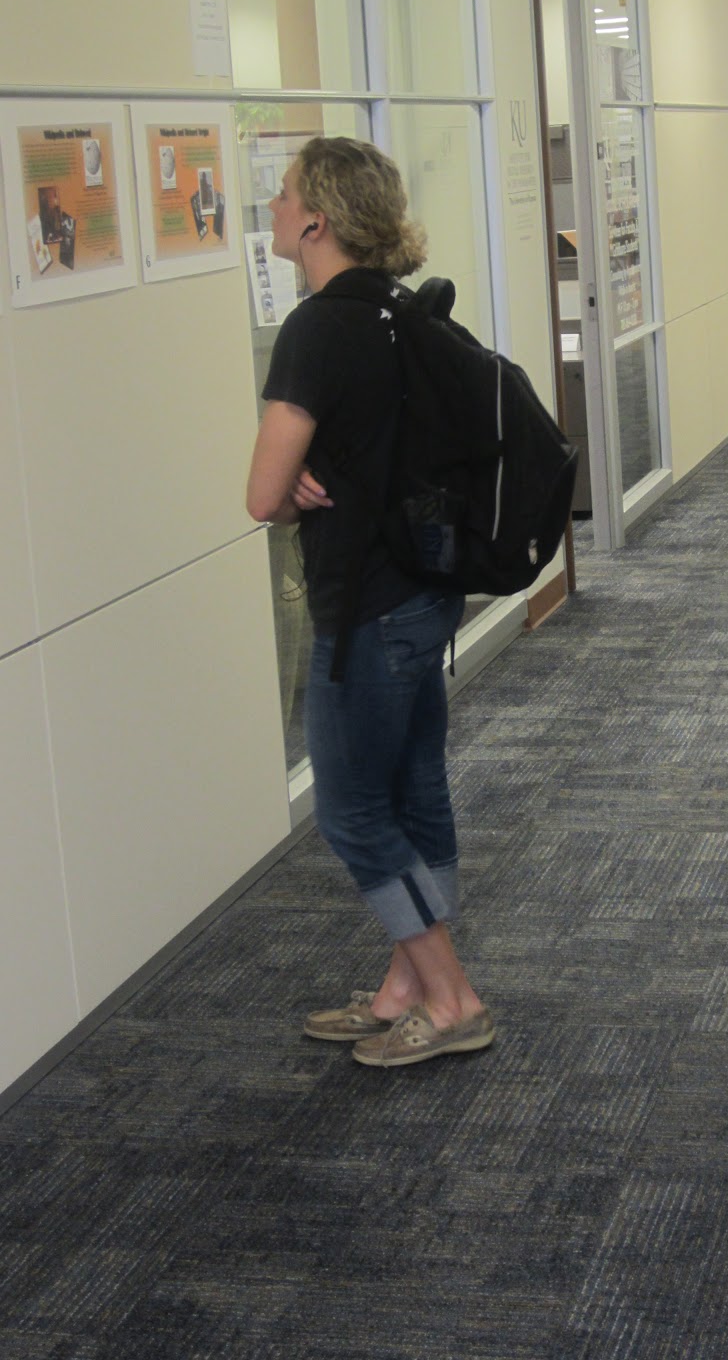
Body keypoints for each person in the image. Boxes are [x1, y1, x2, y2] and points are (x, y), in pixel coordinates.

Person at [246, 136, 494, 1063]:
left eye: (282, 197)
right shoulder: (404, 308)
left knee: (352, 808)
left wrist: (295, 466)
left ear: (316, 219)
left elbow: (263, 497)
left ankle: (452, 996)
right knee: (413, 786)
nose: (271, 210)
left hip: (367, 610)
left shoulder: (317, 327)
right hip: (427, 590)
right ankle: (403, 986)